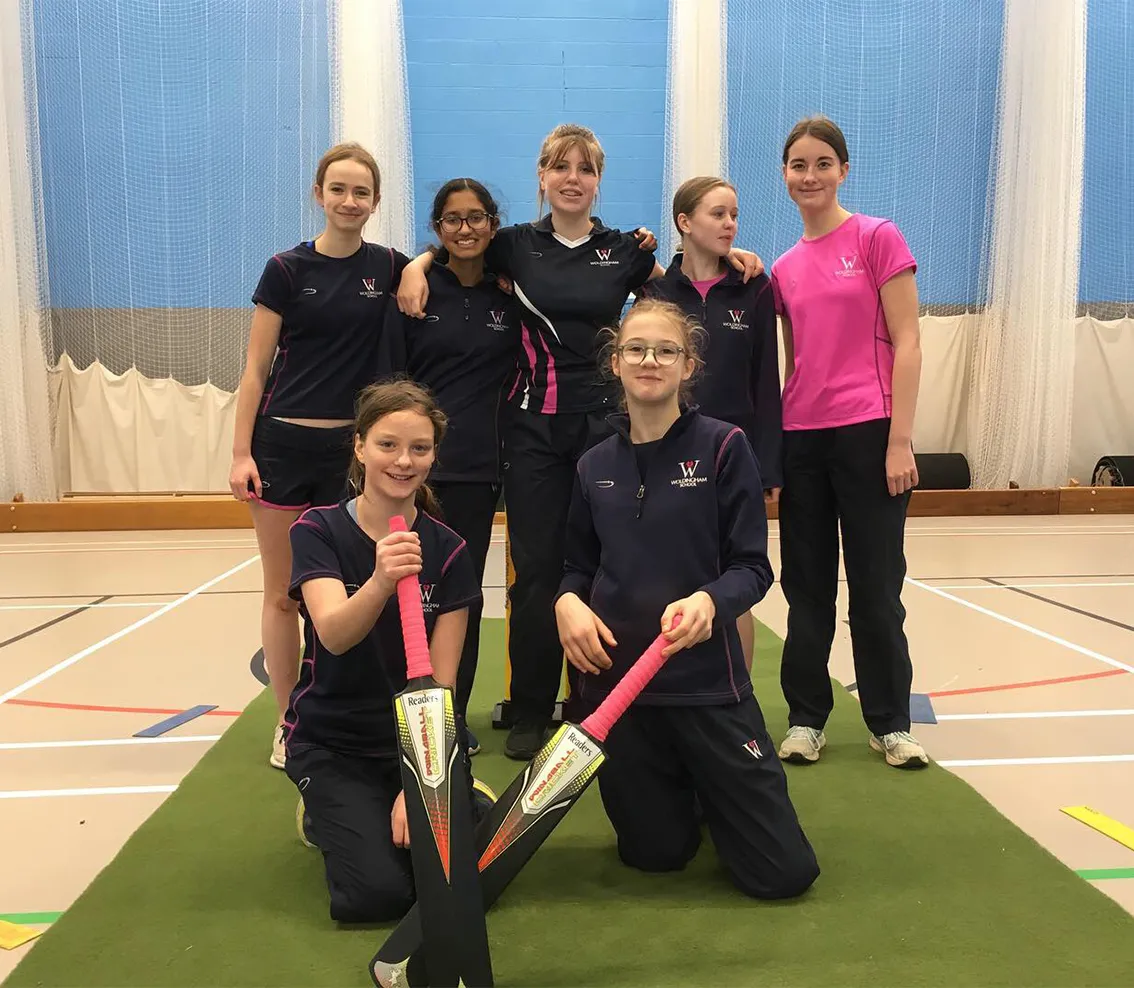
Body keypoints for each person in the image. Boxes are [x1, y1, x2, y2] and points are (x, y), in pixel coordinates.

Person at [397, 124, 762, 761]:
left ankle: (598, 702)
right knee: (538, 573)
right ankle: (532, 709)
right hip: (533, 430)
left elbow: (678, 287)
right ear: (542, 177)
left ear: (598, 181)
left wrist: (733, 257)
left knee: (608, 569)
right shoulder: (513, 245)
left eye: (585, 169)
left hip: (606, 433)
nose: (572, 179)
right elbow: (459, 247)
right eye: (560, 167)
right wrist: (416, 265)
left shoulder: (624, 250)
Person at [553, 298, 819, 900]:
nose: (650, 360)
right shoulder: (593, 465)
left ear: (688, 364)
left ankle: (716, 786)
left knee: (782, 876)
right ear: (615, 362)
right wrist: (566, 602)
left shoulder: (725, 447)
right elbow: (577, 567)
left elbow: (752, 568)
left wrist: (710, 601)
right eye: (636, 349)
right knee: (654, 856)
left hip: (706, 688)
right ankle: (690, 793)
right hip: (622, 695)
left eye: (666, 350)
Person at [228, 143, 409, 770]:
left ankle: (341, 714)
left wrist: (419, 267)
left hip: (348, 456)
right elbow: (255, 371)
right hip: (281, 449)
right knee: (284, 595)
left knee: (343, 595)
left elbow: (439, 265)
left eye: (361, 192)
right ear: (319, 194)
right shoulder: (285, 269)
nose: (349, 201)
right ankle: (289, 722)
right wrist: (241, 454)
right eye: (338, 189)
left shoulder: (387, 266)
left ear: (375, 202)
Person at [284, 380, 491, 923]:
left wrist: (419, 781)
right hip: (335, 744)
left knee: (463, 881)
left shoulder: (450, 551)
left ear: (434, 456)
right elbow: (334, 634)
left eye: (419, 448)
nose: (404, 461)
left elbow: (441, 687)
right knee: (379, 895)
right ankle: (323, 813)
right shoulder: (318, 530)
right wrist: (380, 580)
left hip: (414, 744)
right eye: (388, 445)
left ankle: (463, 795)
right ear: (359, 446)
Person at [771, 116, 927, 769]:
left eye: (822, 163)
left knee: (876, 588)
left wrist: (900, 441)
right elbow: (792, 362)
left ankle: (890, 723)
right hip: (802, 440)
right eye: (798, 165)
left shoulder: (876, 237)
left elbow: (909, 342)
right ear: (785, 175)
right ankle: (806, 719)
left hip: (870, 434)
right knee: (806, 589)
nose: (810, 175)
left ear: (843, 170)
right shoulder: (782, 268)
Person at [377, 178, 521, 755]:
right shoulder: (414, 290)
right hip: (412, 470)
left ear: (493, 224)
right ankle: (399, 711)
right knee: (404, 589)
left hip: (479, 470)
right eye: (453, 220)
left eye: (477, 218)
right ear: (437, 228)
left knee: (462, 595)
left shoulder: (509, 292)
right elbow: (391, 380)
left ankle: (450, 716)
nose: (466, 229)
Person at [640, 175, 782, 672]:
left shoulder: (754, 287)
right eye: (718, 214)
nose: (730, 224)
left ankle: (737, 693)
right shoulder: (655, 292)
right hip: (670, 454)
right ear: (685, 222)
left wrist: (769, 466)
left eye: (733, 215)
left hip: (736, 458)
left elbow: (766, 379)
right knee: (671, 576)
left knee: (733, 580)